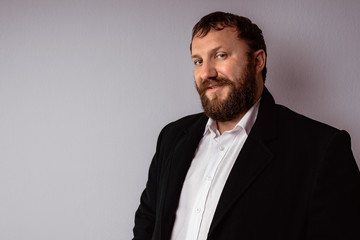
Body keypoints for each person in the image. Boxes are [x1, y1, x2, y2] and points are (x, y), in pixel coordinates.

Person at [132, 11, 360, 240]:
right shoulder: (172, 137)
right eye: (198, 61)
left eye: (220, 55)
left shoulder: (321, 149)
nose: (206, 73)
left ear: (257, 61)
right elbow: (147, 223)